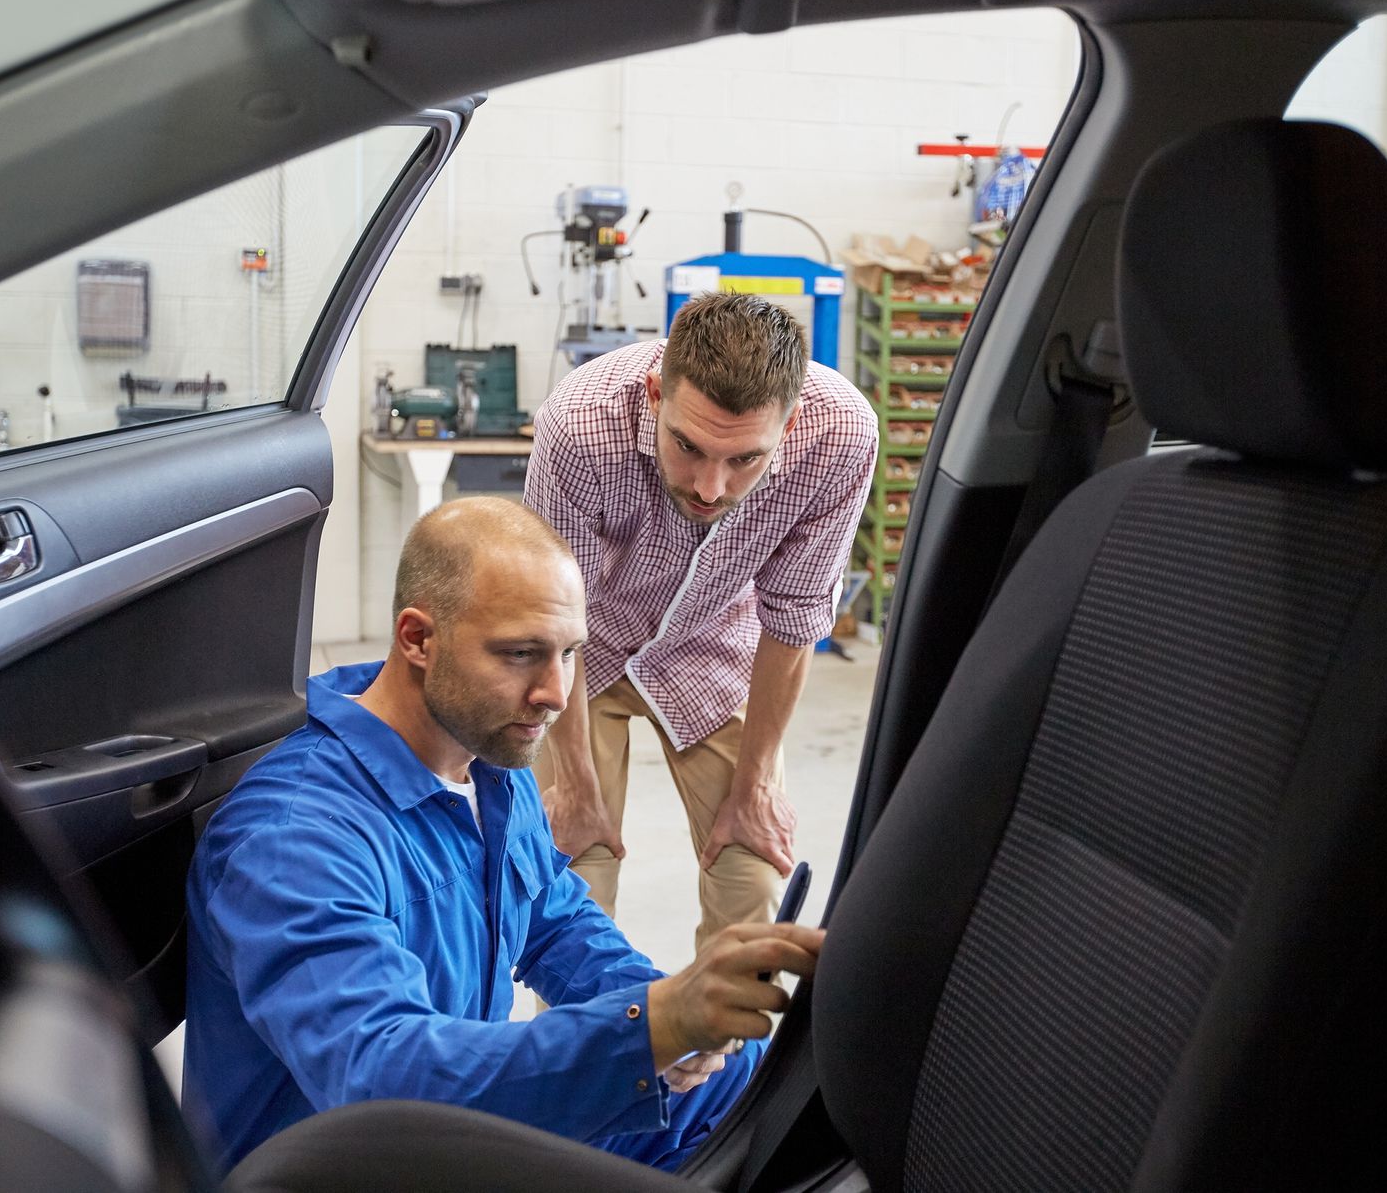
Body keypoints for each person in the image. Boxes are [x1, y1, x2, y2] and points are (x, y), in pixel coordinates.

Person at [182, 497, 822, 1173]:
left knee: (751, 1083)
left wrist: (678, 1012)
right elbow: (381, 1079)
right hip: (345, 1165)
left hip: (452, 1136)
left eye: (571, 653)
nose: (555, 691)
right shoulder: (294, 839)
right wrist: (651, 1025)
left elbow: (554, 922)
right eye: (521, 653)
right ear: (418, 638)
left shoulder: (486, 753)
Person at [525, 292, 876, 950]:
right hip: (582, 649)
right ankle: (594, 1048)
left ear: (791, 422)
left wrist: (758, 780)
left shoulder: (841, 435)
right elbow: (553, 612)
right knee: (572, 867)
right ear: (657, 393)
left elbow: (794, 617)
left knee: (752, 866)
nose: (711, 487)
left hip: (712, 645)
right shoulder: (580, 423)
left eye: (745, 458)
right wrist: (573, 782)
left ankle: (719, 1050)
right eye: (688, 446)